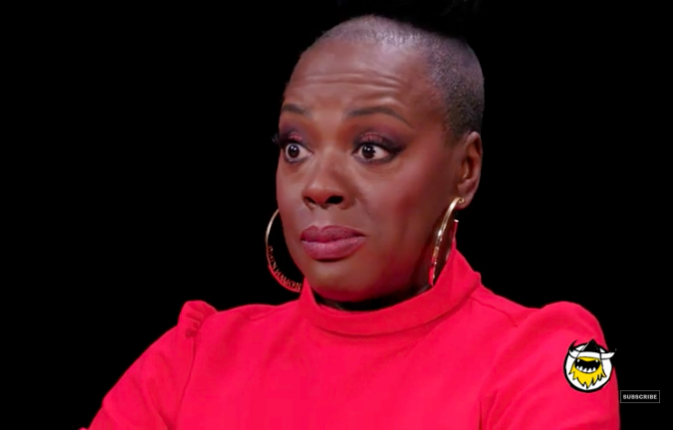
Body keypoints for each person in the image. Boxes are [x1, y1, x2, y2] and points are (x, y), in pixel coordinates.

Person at [83, 5, 620, 429]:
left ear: (465, 170)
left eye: (371, 148)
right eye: (295, 147)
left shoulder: (544, 359)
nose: (318, 187)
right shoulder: (194, 357)